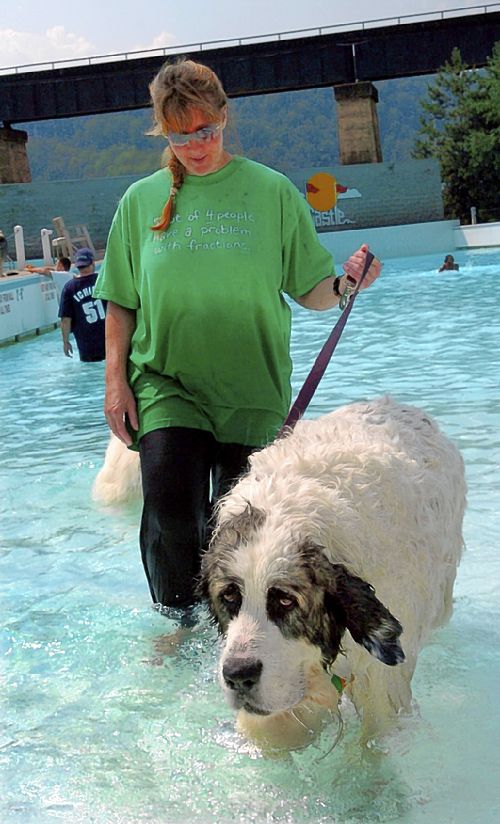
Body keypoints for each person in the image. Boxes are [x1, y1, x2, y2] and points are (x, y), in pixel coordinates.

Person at [93, 59, 382, 616]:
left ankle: (229, 632)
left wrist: (349, 282)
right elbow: (121, 302)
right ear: (163, 130)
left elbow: (313, 289)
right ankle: (179, 626)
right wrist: (115, 382)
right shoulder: (139, 202)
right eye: (181, 134)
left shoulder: (270, 192)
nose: (196, 144)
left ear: (225, 117)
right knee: (171, 511)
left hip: (252, 391)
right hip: (164, 383)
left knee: (240, 528)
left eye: (206, 129)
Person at [58, 247, 106, 361]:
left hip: (86, 347)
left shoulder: (69, 288)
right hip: (110, 341)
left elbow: (65, 319)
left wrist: (65, 342)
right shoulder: (103, 280)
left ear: (78, 265)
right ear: (92, 263)